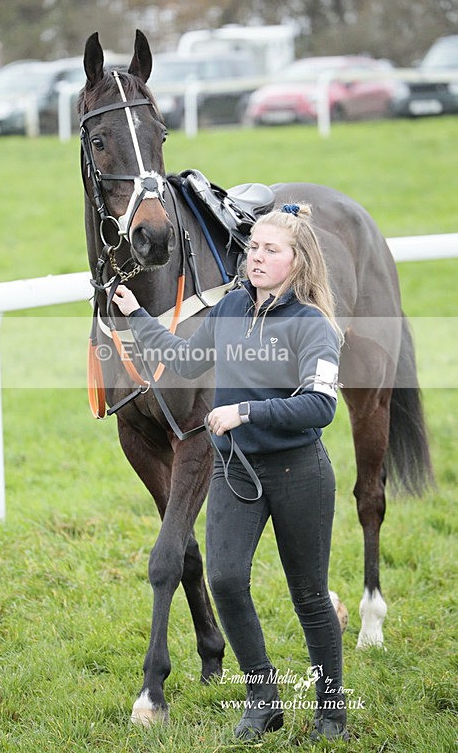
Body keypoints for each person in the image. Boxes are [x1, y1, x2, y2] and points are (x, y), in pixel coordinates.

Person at [110, 204, 348, 743]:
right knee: (224, 580)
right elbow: (183, 360)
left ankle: (332, 712)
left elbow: (320, 406)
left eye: (271, 250)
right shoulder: (232, 307)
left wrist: (246, 412)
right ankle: (263, 700)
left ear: (298, 261)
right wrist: (138, 316)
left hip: (298, 472)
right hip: (235, 471)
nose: (256, 257)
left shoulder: (313, 326)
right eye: (253, 247)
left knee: (309, 595)